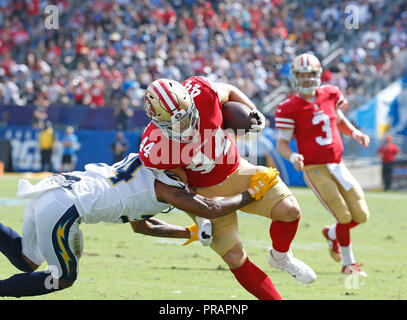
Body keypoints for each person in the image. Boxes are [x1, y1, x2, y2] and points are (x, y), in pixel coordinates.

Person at [0, 153, 278, 298]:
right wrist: (251, 194)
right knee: (63, 278)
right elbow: (211, 208)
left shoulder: (144, 167)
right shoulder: (167, 186)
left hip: (51, 190)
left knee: (28, 259)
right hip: (65, 208)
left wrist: (188, 233)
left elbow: (143, 227)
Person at [139, 76, 316, 301]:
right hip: (203, 192)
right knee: (234, 256)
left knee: (290, 210)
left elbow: (230, 90)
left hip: (236, 170)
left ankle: (281, 257)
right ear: (157, 122)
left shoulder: (201, 92)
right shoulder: (153, 147)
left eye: (185, 117)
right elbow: (176, 186)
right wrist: (198, 214)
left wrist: (254, 111)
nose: (184, 126)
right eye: (175, 124)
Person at [275, 53, 371, 276]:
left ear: (318, 75)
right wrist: (293, 157)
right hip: (314, 168)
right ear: (295, 76)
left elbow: (338, 119)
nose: (307, 79)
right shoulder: (289, 107)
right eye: (302, 75)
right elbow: (282, 143)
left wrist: (355, 133)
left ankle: (332, 234)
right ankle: (349, 265)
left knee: (362, 214)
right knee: (344, 216)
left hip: (337, 164)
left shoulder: (330, 93)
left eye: (310, 74)